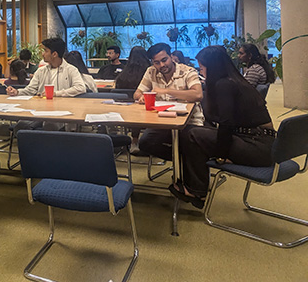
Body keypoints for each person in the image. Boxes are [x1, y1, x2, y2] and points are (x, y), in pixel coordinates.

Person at [172, 46, 275, 208]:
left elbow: (226, 123)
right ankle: (197, 186)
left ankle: (196, 191)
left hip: (255, 146)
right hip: (263, 142)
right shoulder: (235, 80)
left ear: (212, 68)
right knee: (197, 132)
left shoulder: (224, 85)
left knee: (191, 134)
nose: (201, 72)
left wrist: (221, 155)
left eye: (202, 68)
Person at [136, 43, 204, 160]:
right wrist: (141, 97)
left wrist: (166, 91)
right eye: (156, 62)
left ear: (171, 57)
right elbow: (137, 93)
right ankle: (181, 160)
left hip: (189, 122)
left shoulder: (187, 71)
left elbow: (198, 94)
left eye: (164, 60)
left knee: (189, 144)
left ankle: (187, 162)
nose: (162, 65)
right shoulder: (151, 71)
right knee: (145, 142)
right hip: (162, 121)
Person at [6, 38, 86, 98]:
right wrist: (16, 92)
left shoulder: (71, 70)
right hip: (41, 110)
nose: (43, 54)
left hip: (64, 109)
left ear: (54, 54)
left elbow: (80, 88)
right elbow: (30, 90)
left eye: (45, 51)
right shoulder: (41, 71)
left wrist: (56, 94)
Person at [115, 46, 151, 155]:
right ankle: (137, 141)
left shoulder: (123, 74)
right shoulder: (149, 73)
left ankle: (129, 140)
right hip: (146, 115)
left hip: (123, 113)